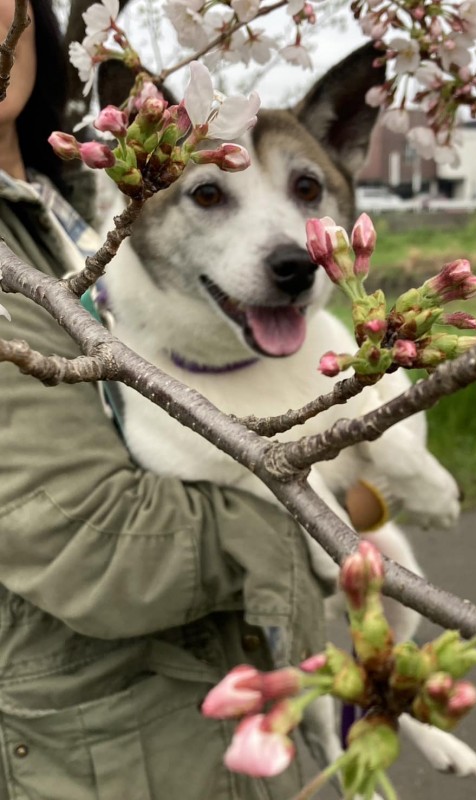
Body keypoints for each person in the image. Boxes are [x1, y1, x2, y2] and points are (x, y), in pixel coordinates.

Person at [0, 1, 331, 797]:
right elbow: (93, 545)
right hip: (113, 752)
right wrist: (320, 534)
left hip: (214, 702)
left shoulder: (80, 208)